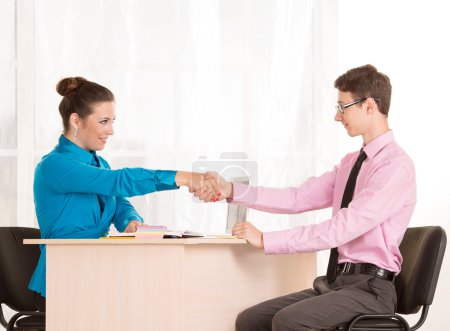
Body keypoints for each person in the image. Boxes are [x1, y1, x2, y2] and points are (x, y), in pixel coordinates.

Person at [202, 65, 417, 330]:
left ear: (369, 106)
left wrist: (267, 239)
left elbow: (341, 229)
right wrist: (233, 191)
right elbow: (299, 198)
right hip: (339, 284)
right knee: (251, 320)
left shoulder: (394, 167)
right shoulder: (351, 163)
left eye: (343, 107)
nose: (337, 117)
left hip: (371, 291)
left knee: (288, 322)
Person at [29, 76, 220, 311]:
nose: (111, 130)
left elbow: (118, 202)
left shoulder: (101, 165)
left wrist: (130, 221)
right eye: (104, 121)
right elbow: (118, 182)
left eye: (112, 121)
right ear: (76, 120)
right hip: (65, 274)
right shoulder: (54, 166)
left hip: (99, 267)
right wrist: (185, 178)